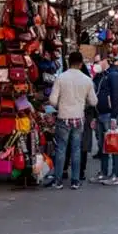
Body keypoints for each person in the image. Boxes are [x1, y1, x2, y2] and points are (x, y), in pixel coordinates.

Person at [45, 51, 96, 190]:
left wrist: (60, 105)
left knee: (61, 149)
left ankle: (58, 180)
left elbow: (52, 100)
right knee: (76, 149)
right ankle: (75, 181)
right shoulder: (87, 80)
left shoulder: (61, 78)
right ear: (81, 64)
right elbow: (93, 101)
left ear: (69, 63)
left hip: (63, 117)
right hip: (79, 118)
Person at [93, 58, 118, 185]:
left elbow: (116, 96)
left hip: (108, 115)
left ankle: (115, 174)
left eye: (98, 61)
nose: (96, 64)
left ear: (105, 61)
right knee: (103, 146)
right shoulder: (101, 76)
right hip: (100, 114)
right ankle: (104, 172)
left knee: (113, 146)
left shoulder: (113, 75)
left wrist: (113, 116)